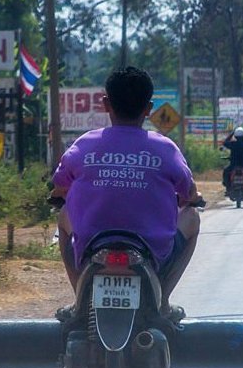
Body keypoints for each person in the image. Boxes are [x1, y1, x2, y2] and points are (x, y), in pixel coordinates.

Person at [50, 66, 202, 320]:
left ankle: (80, 300)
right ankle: (162, 302)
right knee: (193, 218)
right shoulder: (165, 148)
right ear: (149, 108)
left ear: (106, 105)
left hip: (92, 246)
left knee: (63, 215)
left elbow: (59, 186)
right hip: (152, 251)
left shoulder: (84, 144)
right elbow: (190, 194)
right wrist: (188, 199)